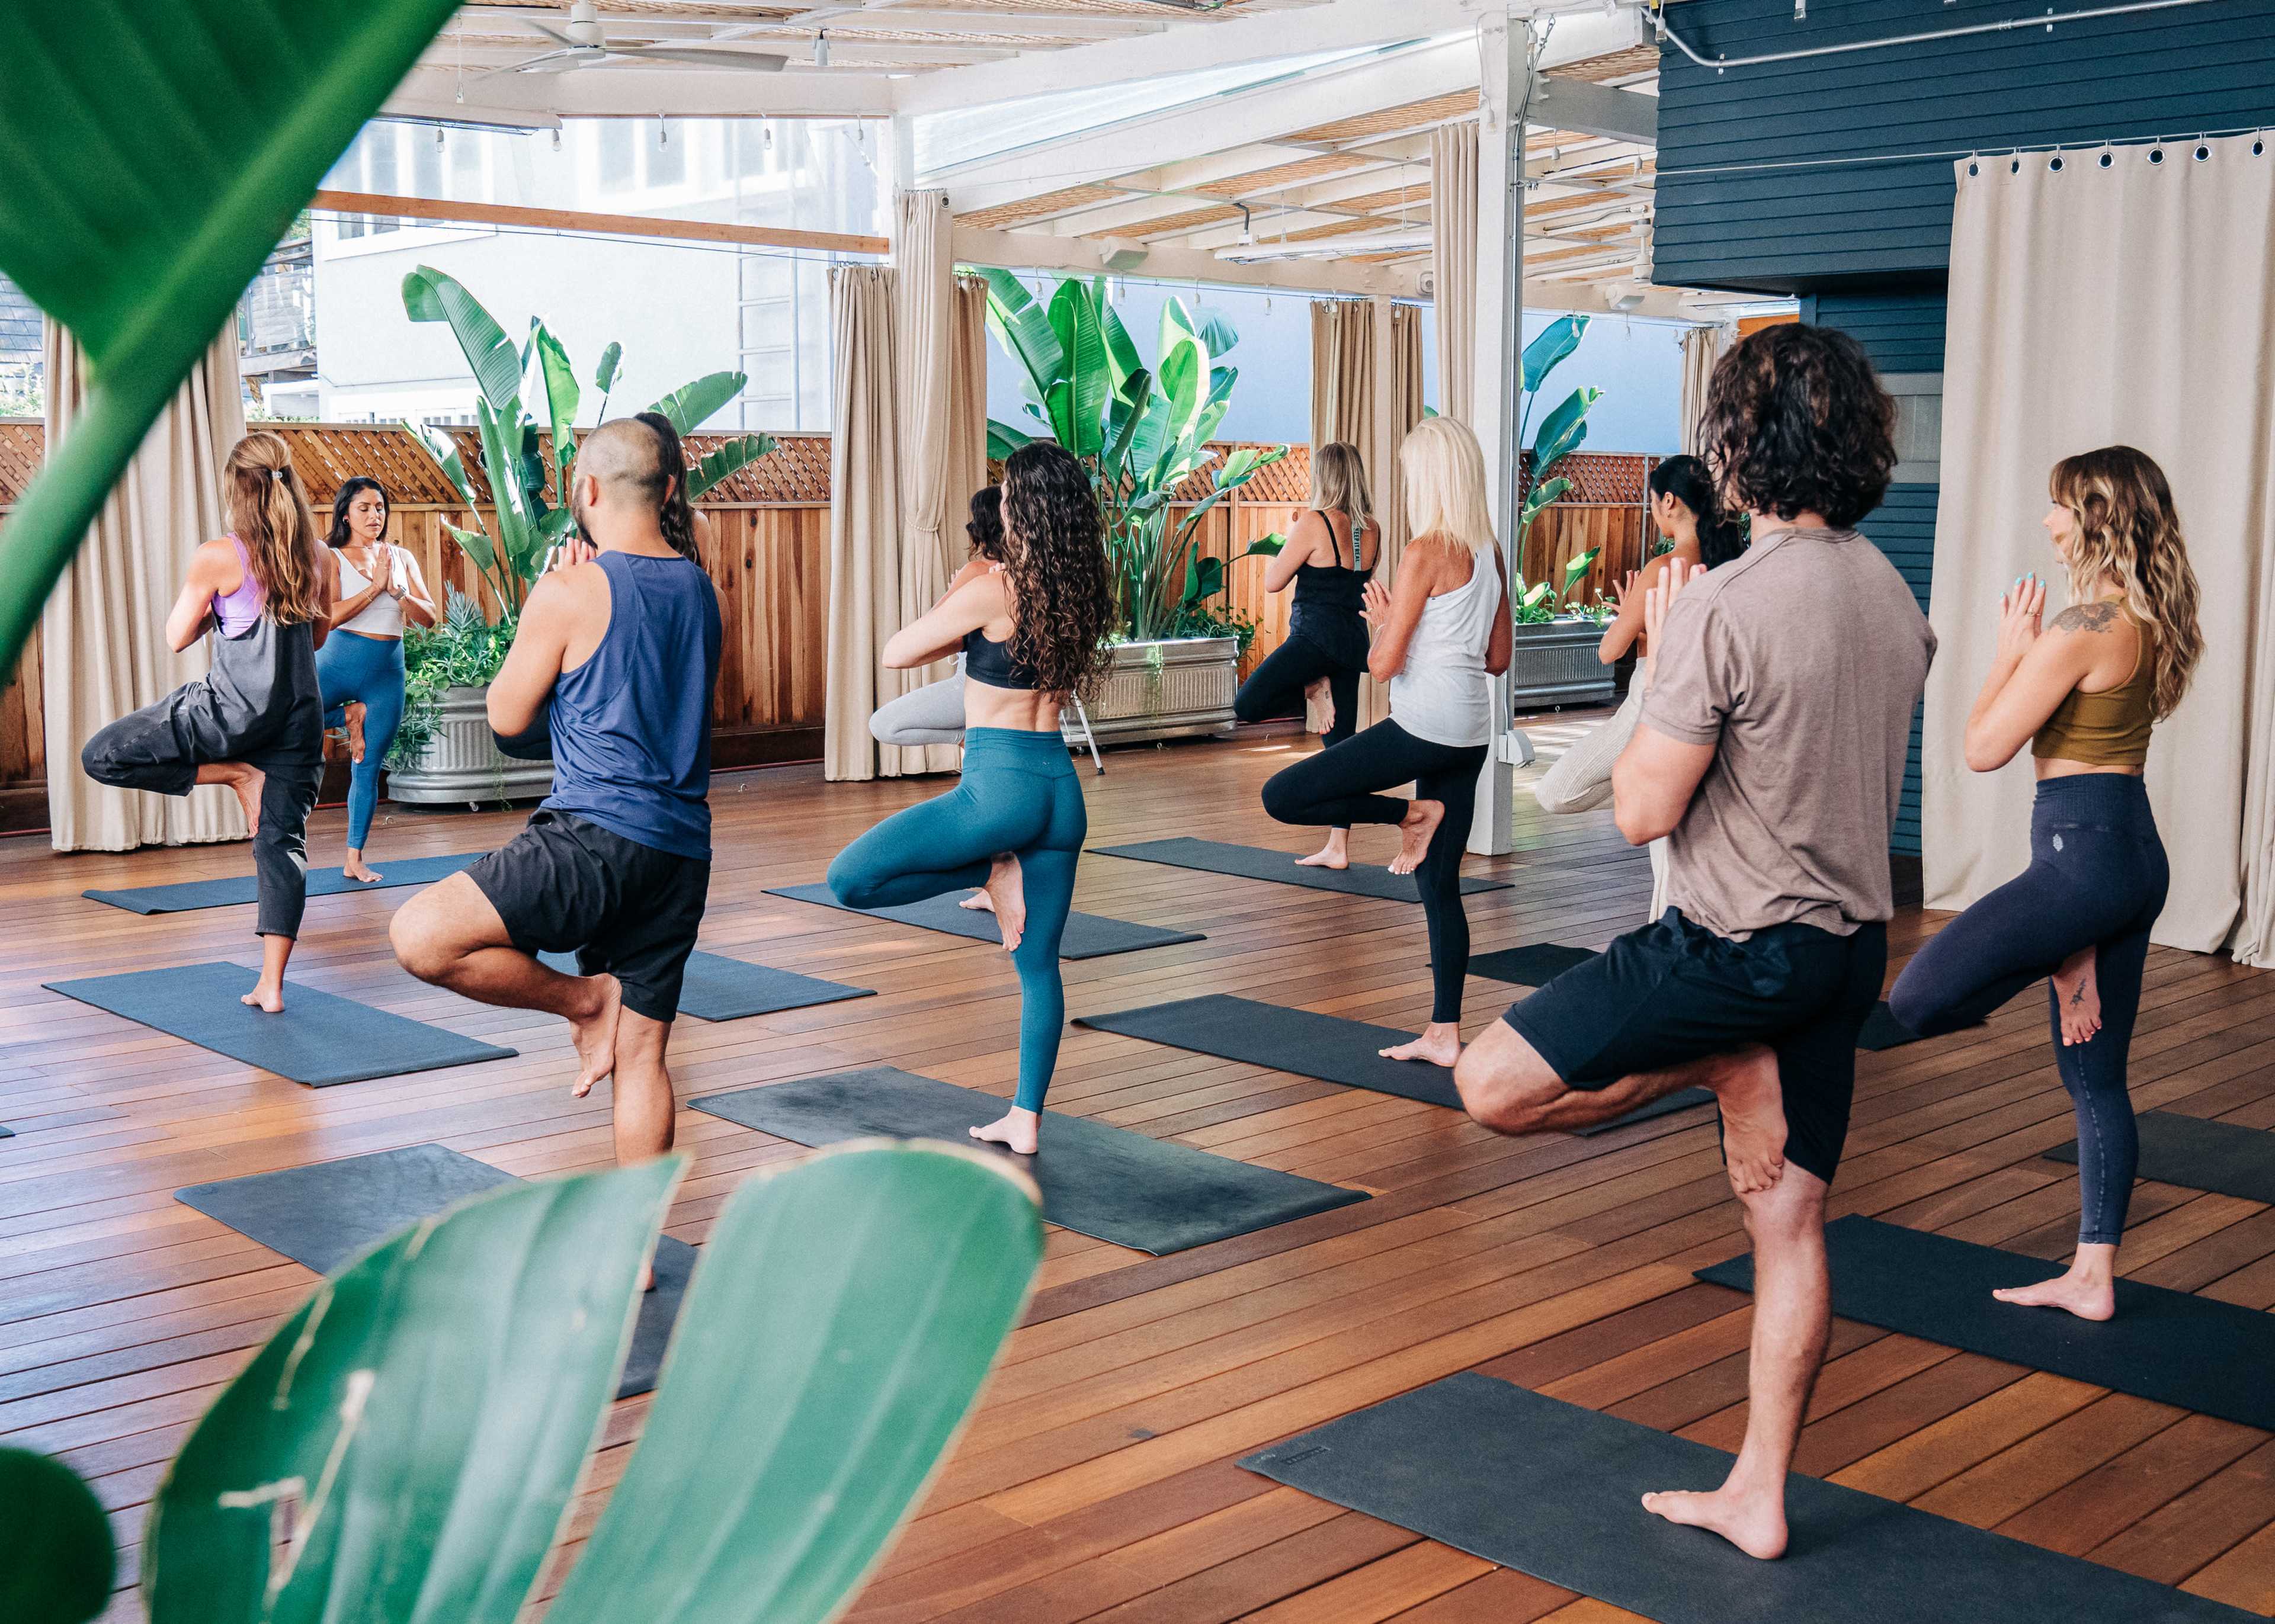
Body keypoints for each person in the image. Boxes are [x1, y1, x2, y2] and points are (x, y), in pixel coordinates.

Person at [1448, 324, 1935, 1561]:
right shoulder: (1891, 595)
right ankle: (1759, 1494)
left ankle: (1723, 1064)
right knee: (1789, 1224)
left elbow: (1639, 811)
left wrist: (1667, 661)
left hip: (1734, 950)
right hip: (1847, 950)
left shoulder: (1720, 605)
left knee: (1487, 1083)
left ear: (1735, 445)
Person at [1887, 447, 2200, 1323]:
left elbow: (1982, 748)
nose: (2048, 520)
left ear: (2097, 515)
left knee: (1917, 999)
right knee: (2096, 1078)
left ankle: (2065, 955)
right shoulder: (2146, 618)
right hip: (2131, 855)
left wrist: (2005, 654)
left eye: (2060, 505)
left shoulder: (2080, 627)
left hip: (2080, 864)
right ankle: (2092, 1275)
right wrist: (2073, 935)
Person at [390, 418, 722, 1177]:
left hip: (592, 840)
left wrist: (555, 598)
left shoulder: (570, 590)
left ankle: (584, 1004)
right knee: (644, 1057)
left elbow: (506, 721)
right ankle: (634, 1248)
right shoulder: (706, 595)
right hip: (679, 855)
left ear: (588, 489)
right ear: (669, 490)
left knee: (421, 935)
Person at [824, 443, 1112, 1156]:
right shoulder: (1084, 587)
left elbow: (895, 651)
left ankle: (990, 870)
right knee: (1038, 967)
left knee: (849, 880)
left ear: (1024, 509)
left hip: (1000, 789)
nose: (1002, 503)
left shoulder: (996, 588)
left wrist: (961, 609)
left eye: (1009, 493)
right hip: (1060, 793)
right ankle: (1025, 1118)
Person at [1258, 418, 1512, 1067]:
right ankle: (1444, 1032)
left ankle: (1410, 814)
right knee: (1439, 882)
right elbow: (1498, 658)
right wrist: (1413, 623)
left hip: (1423, 726)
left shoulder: (1426, 549)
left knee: (1283, 795)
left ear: (1430, 477)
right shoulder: (1491, 552)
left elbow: (1382, 666)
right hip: (1471, 733)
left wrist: (1385, 622)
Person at [81, 432, 330, 1012]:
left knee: (103, 755)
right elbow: (316, 637)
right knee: (281, 847)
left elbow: (175, 637)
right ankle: (271, 986)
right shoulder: (316, 556)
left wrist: (218, 615)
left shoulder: (219, 555)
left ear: (236, 490)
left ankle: (234, 774)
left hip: (230, 716)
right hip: (298, 719)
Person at [1531, 455, 1748, 916]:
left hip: (1652, 703)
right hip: (1716, 709)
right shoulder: (1733, 569)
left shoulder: (1663, 569)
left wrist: (1631, 609)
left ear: (1669, 502)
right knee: (1678, 848)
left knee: (1556, 791)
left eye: (1652, 502)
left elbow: (1609, 652)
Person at [1232, 442, 1381, 869]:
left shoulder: (1314, 522)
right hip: (1352, 645)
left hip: (1314, 640)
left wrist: (1292, 536)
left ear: (1324, 477)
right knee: (1341, 754)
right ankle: (1338, 847)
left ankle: (1313, 685)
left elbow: (1273, 582)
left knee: (1247, 704)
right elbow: (1358, 581)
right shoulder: (1373, 528)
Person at [315, 476, 436, 882]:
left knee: (367, 768)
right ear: (346, 514)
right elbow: (328, 616)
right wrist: (374, 590)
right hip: (337, 662)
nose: (374, 515)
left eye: (380, 507)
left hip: (386, 674)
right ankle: (347, 714)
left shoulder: (401, 557)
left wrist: (398, 592)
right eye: (364, 507)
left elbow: (431, 618)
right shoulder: (330, 556)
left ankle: (354, 859)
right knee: (289, 715)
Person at [869, 486, 1007, 752]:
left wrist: (956, 590)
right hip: (1010, 693)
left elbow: (933, 624)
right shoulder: (1029, 575)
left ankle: (968, 739)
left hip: (969, 688)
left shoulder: (978, 571)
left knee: (883, 724)